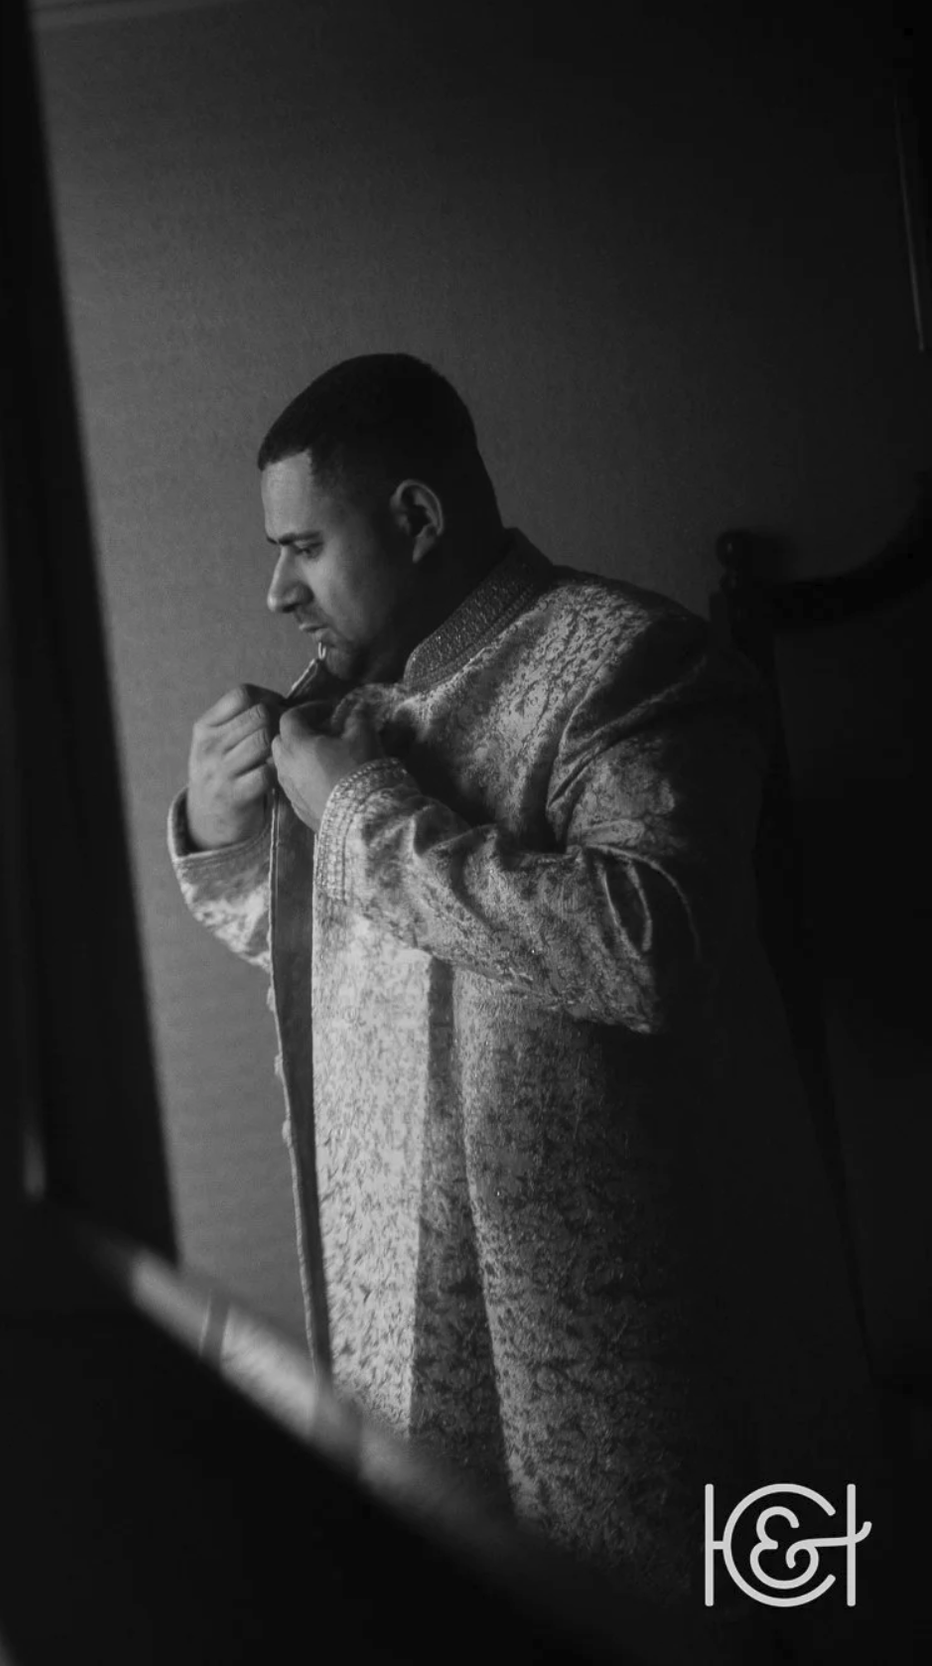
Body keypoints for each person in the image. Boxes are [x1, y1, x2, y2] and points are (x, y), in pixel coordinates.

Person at [168, 356, 879, 1613]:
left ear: (417, 517)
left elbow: (649, 946)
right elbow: (347, 964)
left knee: (710, 1624)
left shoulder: (636, 660)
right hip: (404, 1311)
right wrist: (228, 834)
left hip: (633, 1326)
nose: (275, 588)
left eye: (300, 546)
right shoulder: (341, 705)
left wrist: (364, 818)